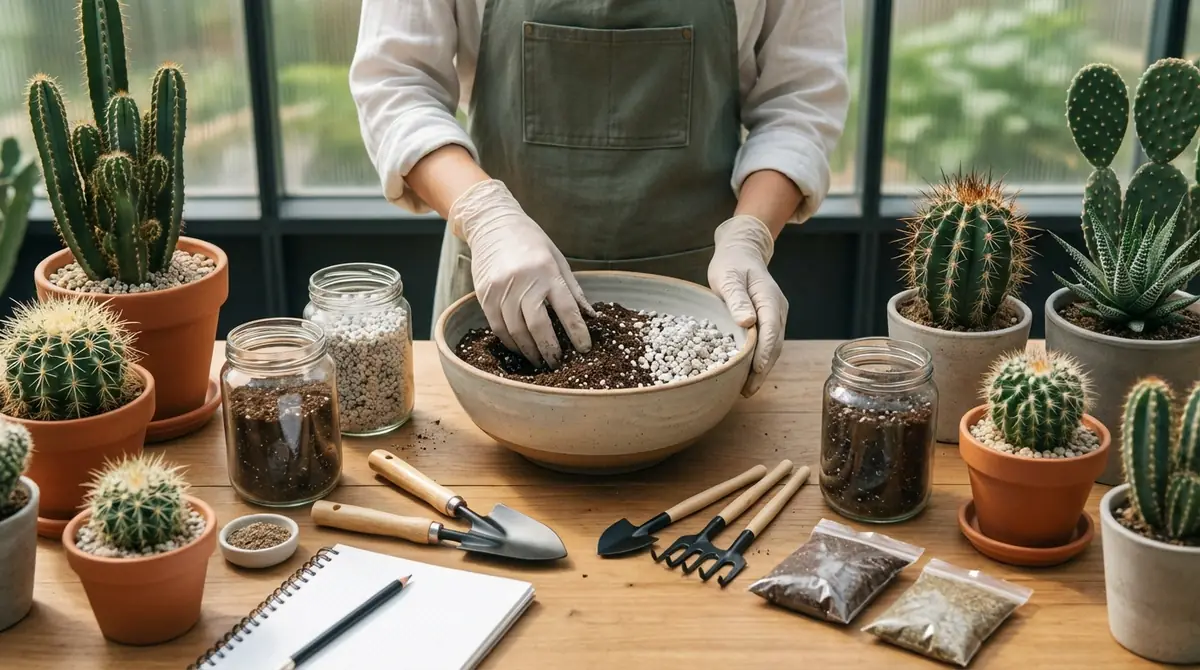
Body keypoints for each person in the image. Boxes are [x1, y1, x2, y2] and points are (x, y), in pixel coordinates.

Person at [351, 0, 849, 396]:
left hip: (699, 299)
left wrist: (750, 236)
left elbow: (799, 101)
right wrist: (486, 217)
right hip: (498, 296)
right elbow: (396, 83)